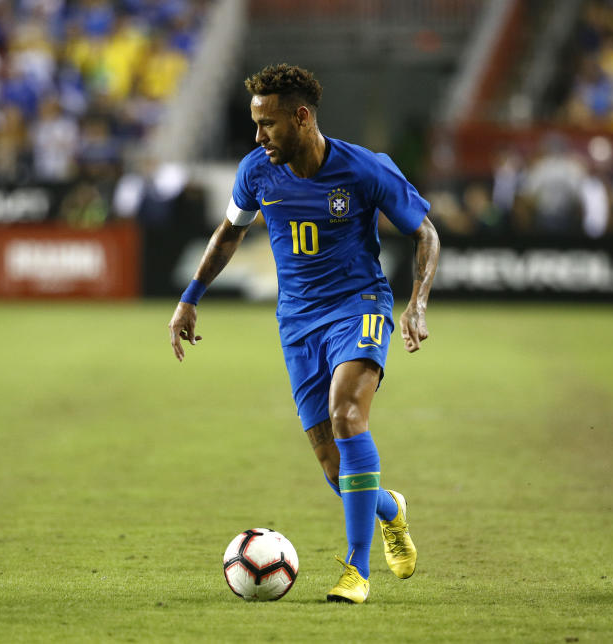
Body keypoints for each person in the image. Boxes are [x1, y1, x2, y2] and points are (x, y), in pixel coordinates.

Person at [167, 64, 439, 604]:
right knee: (335, 467)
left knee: (347, 415)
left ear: (302, 116)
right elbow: (228, 234)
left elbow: (424, 232)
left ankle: (356, 571)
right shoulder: (256, 171)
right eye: (255, 123)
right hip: (297, 322)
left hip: (359, 305)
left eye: (267, 124)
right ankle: (390, 509)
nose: (258, 136)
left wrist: (417, 304)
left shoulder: (365, 170)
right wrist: (190, 298)